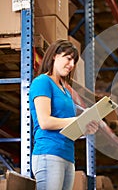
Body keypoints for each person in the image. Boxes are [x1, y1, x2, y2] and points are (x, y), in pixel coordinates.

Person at [29, 39, 100, 190]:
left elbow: (68, 126)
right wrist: (78, 119)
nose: (71, 65)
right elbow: (45, 122)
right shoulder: (42, 82)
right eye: (68, 58)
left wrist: (85, 129)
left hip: (67, 156)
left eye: (74, 61)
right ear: (54, 55)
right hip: (49, 153)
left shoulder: (66, 92)